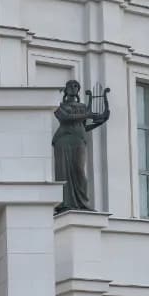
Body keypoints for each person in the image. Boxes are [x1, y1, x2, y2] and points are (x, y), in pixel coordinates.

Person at [52, 79, 110, 212]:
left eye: (76, 86)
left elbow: (83, 126)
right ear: (66, 90)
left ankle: (82, 203)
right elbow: (65, 117)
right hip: (63, 140)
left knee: (79, 170)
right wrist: (88, 114)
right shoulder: (60, 106)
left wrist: (100, 121)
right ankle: (65, 204)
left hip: (78, 139)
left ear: (78, 90)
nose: (73, 88)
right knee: (63, 172)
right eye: (70, 86)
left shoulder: (83, 107)